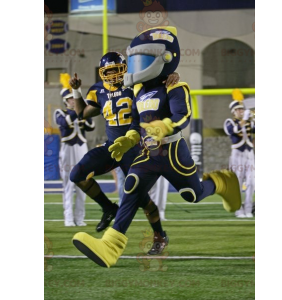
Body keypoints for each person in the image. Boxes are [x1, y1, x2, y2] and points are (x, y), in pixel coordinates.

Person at [72, 26, 242, 268]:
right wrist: (129, 139)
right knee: (131, 188)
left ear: (165, 59)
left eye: (144, 60)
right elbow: (134, 122)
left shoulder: (174, 86)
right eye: (136, 60)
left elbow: (183, 116)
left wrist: (165, 126)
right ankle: (109, 246)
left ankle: (221, 182)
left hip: (172, 151)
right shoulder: (139, 91)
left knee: (191, 194)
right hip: (147, 152)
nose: (137, 66)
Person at [68, 52, 180, 235]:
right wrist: (76, 91)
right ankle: (108, 208)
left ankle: (159, 234)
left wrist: (172, 75)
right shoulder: (98, 90)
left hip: (136, 150)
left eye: (116, 70)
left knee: (142, 199)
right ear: (102, 72)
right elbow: (82, 113)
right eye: (109, 71)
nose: (113, 75)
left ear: (125, 69)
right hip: (112, 147)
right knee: (77, 174)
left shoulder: (137, 84)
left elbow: (162, 83)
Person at [54, 73, 95, 226]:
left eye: (74, 98)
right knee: (68, 184)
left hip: (82, 148)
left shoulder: (79, 112)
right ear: (65, 100)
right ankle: (68, 218)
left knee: (84, 183)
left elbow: (91, 126)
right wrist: (78, 110)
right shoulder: (59, 113)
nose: (73, 101)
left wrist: (83, 110)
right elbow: (65, 122)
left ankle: (79, 218)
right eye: (71, 99)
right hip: (68, 150)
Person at [223, 89, 255, 218]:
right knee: (238, 182)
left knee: (252, 182)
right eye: (238, 110)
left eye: (242, 109)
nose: (241, 111)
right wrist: (245, 119)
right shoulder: (229, 122)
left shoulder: (249, 121)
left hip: (250, 154)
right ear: (233, 112)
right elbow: (234, 131)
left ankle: (248, 209)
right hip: (237, 155)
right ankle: (238, 209)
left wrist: (254, 117)